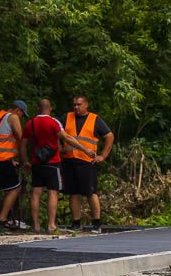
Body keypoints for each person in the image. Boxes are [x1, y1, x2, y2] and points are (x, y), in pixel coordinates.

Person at [22, 98, 80, 233]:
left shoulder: (30, 123)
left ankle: (35, 225)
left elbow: (23, 144)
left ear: (38, 108)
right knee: (53, 193)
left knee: (36, 193)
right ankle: (51, 225)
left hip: (36, 163)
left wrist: (25, 160)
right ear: (50, 109)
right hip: (53, 163)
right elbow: (66, 137)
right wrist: (84, 149)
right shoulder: (53, 122)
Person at [62, 95, 114, 233]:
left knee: (90, 192)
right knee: (73, 193)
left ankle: (97, 223)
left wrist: (103, 156)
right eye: (74, 105)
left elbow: (109, 136)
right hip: (69, 159)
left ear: (86, 105)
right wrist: (59, 147)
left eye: (79, 105)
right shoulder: (67, 117)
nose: (76, 108)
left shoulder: (94, 119)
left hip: (86, 161)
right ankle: (76, 223)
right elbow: (58, 133)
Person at [0, 99, 29, 230]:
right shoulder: (13, 117)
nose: (21, 117)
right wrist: (24, 159)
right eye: (22, 114)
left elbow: (0, 140)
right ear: (18, 110)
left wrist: (12, 159)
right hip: (1, 160)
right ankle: (3, 218)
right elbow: (21, 138)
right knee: (15, 188)